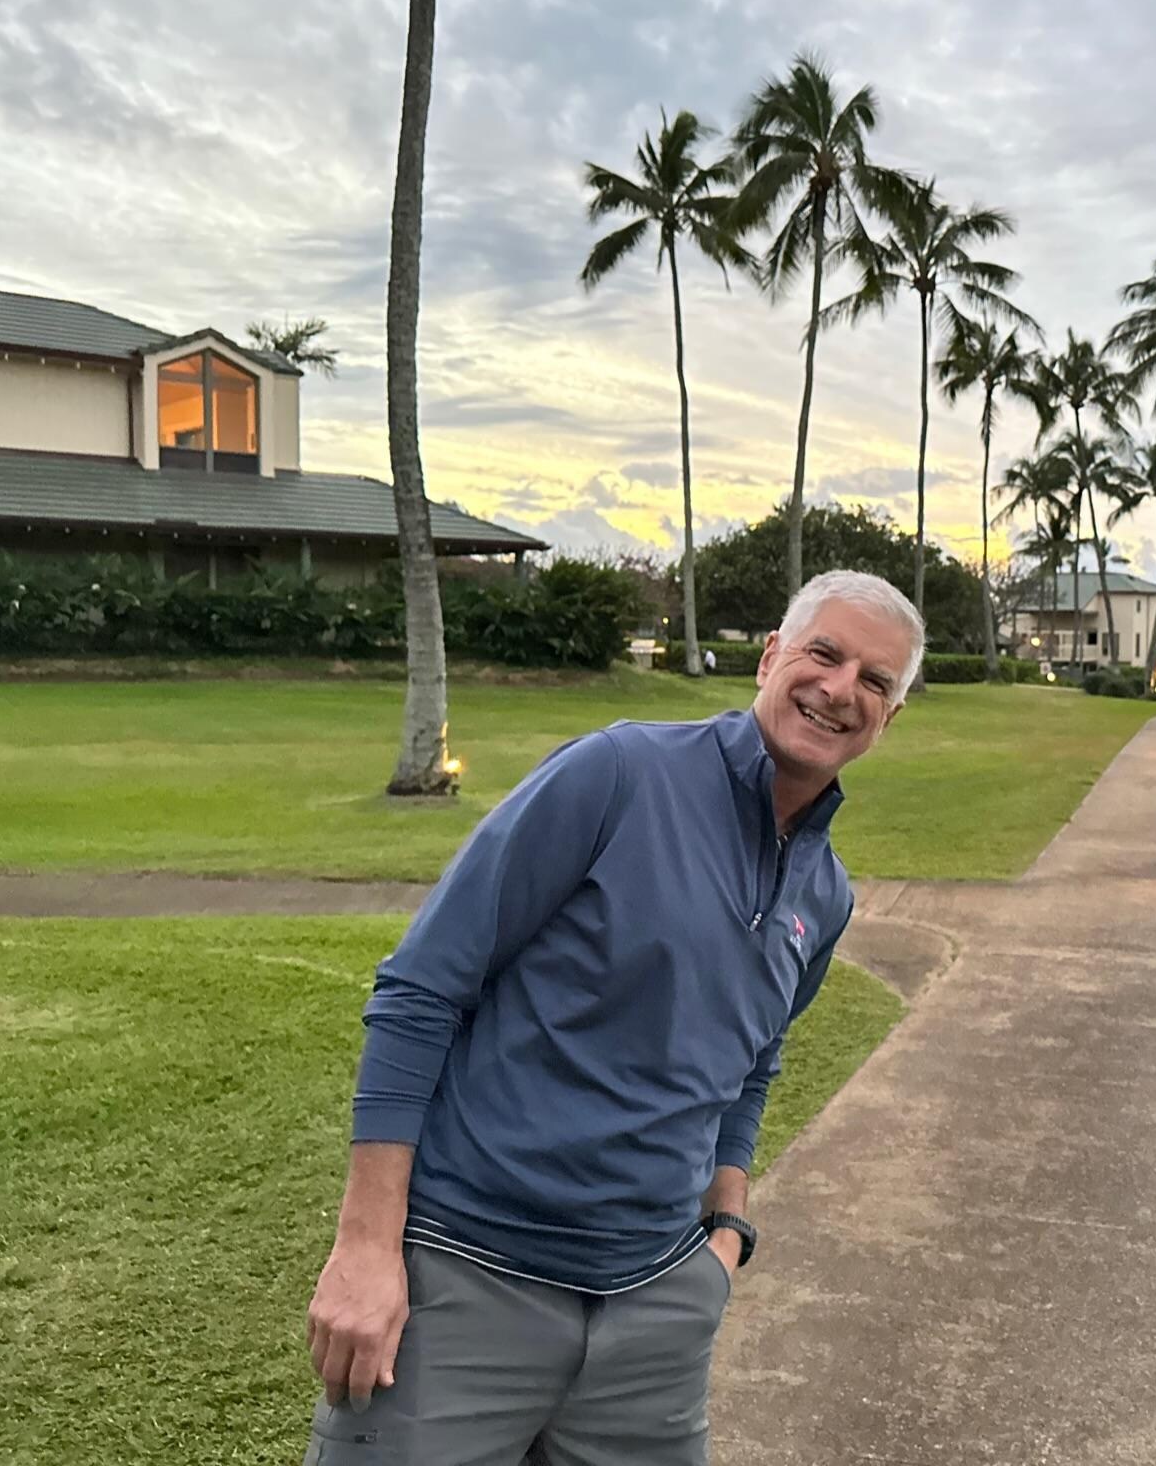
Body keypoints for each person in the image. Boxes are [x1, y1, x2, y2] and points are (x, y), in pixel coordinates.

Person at [302, 570, 924, 1466]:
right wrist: (364, 1249)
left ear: (889, 717)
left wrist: (725, 1233)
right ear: (770, 658)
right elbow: (422, 990)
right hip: (469, 1279)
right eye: (823, 654)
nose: (839, 690)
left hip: (654, 1314)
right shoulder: (619, 774)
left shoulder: (824, 896)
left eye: (875, 680)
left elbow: (751, 1065)